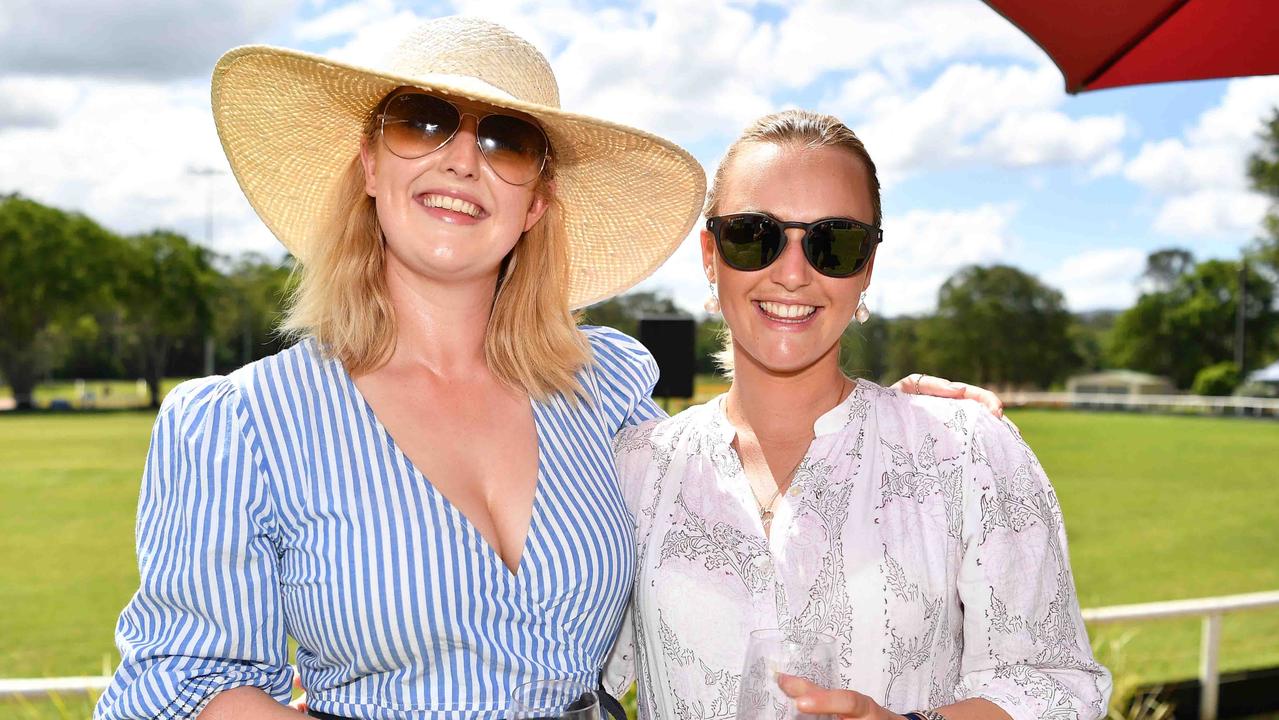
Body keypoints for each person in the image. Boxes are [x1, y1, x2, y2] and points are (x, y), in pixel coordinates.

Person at [95, 17, 1003, 720]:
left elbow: (734, 461)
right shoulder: (241, 423)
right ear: (368, 163)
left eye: (508, 140)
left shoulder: (601, 387)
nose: (462, 157)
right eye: (422, 121)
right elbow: (184, 678)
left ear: (535, 203)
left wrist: (913, 419)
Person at [605, 110, 1111, 720]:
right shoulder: (632, 468)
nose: (791, 273)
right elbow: (556, 670)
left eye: (833, 244)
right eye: (752, 235)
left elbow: (1056, 688)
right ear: (710, 255)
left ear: (868, 265)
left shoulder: (966, 453)